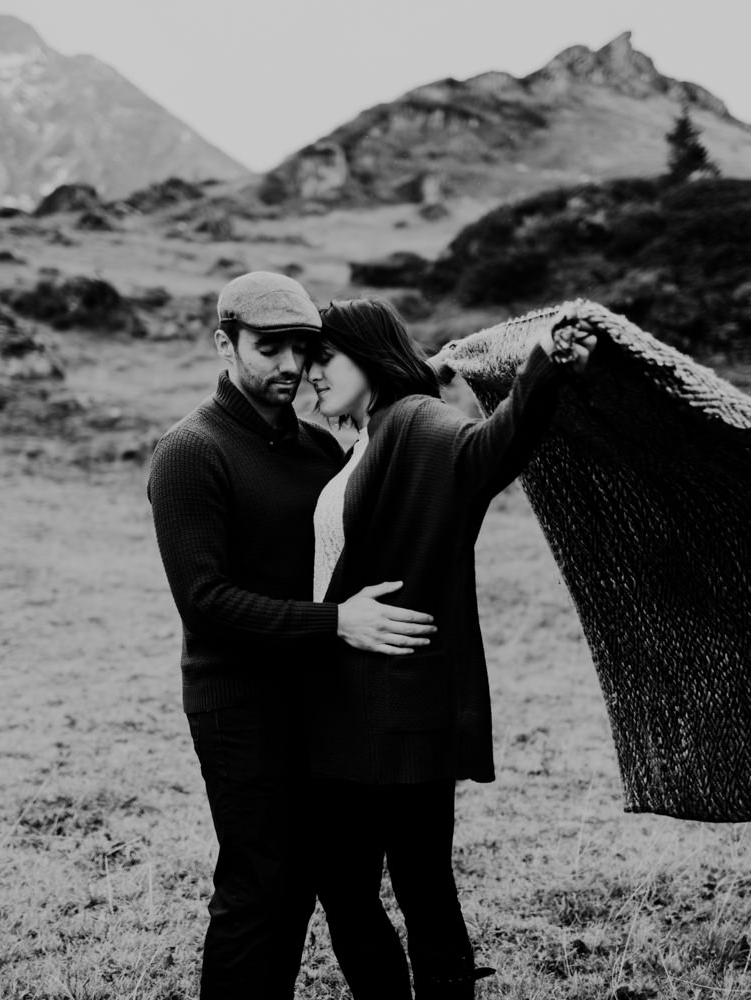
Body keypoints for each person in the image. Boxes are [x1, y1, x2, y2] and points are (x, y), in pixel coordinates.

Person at [146, 273, 439, 999]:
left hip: (323, 702)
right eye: (267, 346)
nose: (287, 365)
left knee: (334, 886)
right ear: (225, 344)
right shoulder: (190, 452)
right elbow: (205, 601)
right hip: (239, 704)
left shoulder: (317, 450)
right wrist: (336, 622)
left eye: (301, 349)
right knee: (260, 890)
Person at [303, 299, 591, 1000]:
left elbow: (484, 454)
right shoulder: (370, 436)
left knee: (394, 887)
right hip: (360, 701)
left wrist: (543, 370)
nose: (311, 376)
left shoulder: (411, 422)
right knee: (382, 884)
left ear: (368, 354)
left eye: (324, 360)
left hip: (391, 706)